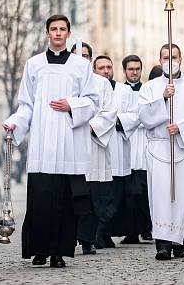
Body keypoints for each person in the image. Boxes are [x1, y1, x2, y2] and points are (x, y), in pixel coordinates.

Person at [2, 14, 99, 268]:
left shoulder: (81, 66)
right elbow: (27, 104)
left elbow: (92, 101)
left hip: (68, 143)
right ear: (47, 33)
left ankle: (59, 252)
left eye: (62, 29)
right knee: (40, 201)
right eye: (53, 29)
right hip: (42, 145)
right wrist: (15, 121)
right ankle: (39, 251)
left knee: (64, 203)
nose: (57, 33)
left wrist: (71, 104)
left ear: (68, 34)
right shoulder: (33, 65)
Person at [139, 44, 184, 260]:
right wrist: (163, 99)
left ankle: (179, 243)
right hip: (159, 147)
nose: (171, 60)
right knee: (160, 196)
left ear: (181, 59)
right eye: (166, 57)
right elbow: (143, 115)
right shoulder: (149, 87)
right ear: (159, 60)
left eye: (174, 56)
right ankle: (162, 244)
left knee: (182, 195)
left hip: (182, 146)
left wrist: (181, 127)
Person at [73, 45, 118, 255]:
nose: (82, 59)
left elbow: (110, 111)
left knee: (93, 198)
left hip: (94, 145)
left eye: (85, 56)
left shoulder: (102, 83)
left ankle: (88, 239)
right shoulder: (69, 79)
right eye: (78, 56)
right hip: (71, 147)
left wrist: (92, 126)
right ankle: (69, 237)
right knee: (73, 196)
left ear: (90, 60)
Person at [91, 55, 139, 248]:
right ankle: (98, 234)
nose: (106, 71)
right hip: (98, 149)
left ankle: (104, 233)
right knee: (100, 198)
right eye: (101, 67)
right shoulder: (90, 90)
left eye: (109, 67)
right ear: (94, 70)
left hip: (119, 149)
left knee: (115, 198)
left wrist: (115, 121)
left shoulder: (124, 90)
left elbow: (135, 115)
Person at [117, 54, 152, 244]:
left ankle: (146, 228)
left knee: (144, 191)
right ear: (124, 70)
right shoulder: (119, 91)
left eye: (137, 69)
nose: (135, 72)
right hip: (127, 142)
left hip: (144, 143)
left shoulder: (148, 90)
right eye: (131, 69)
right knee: (128, 192)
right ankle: (130, 231)